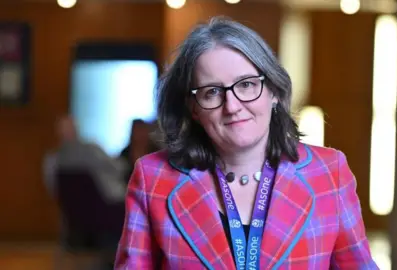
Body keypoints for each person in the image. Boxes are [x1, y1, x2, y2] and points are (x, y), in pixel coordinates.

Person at [115, 17, 378, 269]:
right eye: (212, 92)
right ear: (194, 108)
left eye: (247, 85)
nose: (232, 106)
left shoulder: (329, 173)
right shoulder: (153, 179)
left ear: (273, 91)